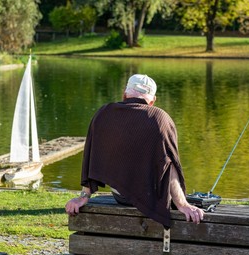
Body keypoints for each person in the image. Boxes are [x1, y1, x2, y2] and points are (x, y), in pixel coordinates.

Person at [65, 74, 204, 227]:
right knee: (167, 159)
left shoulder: (104, 113)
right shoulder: (160, 118)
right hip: (152, 198)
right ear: (152, 101)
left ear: (125, 94)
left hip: (120, 196)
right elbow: (169, 166)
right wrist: (183, 204)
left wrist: (83, 196)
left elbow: (92, 155)